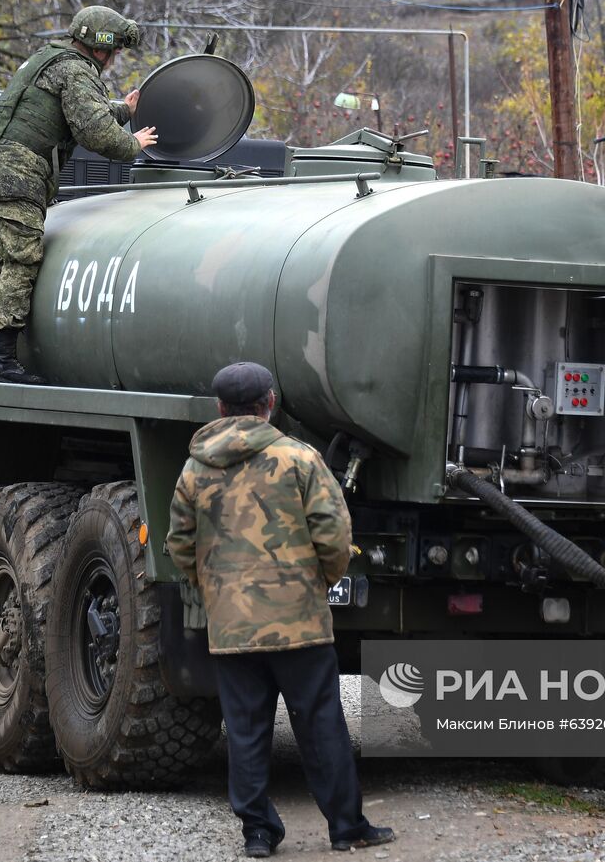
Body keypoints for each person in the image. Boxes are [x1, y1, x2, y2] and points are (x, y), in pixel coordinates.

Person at [166, 362, 394, 858]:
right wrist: (319, 583)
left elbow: (180, 544)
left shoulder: (195, 467)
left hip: (232, 625)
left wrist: (213, 591)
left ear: (221, 409)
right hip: (299, 623)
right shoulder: (299, 459)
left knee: (246, 730)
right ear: (270, 403)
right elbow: (334, 536)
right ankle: (346, 828)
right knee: (320, 723)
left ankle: (258, 833)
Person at [0, 5, 158, 383]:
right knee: (21, 261)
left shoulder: (47, 60)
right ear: (100, 46)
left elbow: (79, 112)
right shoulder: (76, 70)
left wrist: (123, 110)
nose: (115, 57)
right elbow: (94, 131)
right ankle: (2, 362)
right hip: (17, 175)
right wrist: (131, 143)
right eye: (115, 50)